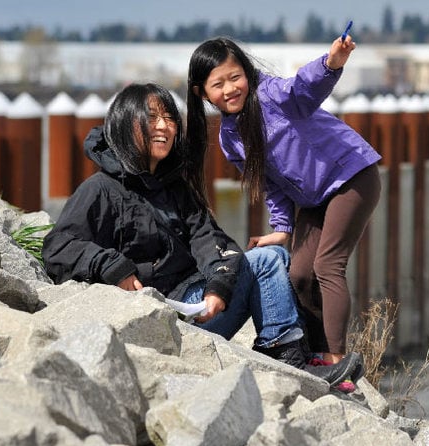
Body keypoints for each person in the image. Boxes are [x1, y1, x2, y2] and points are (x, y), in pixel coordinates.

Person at [42, 82, 362, 388]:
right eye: (152, 117)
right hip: (154, 321)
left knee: (272, 256)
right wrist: (112, 267)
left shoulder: (175, 188)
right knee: (268, 259)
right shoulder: (100, 189)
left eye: (169, 118)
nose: (164, 126)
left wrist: (219, 284)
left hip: (196, 310)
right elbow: (58, 246)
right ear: (125, 123)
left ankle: (287, 354)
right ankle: (286, 358)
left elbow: (210, 239)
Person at [186, 35, 381, 370]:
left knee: (327, 266)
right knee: (300, 273)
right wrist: (282, 228)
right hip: (315, 198)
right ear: (202, 93)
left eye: (235, 77)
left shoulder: (272, 95)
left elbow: (304, 87)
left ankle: (338, 358)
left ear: (246, 73)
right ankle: (319, 355)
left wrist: (330, 62)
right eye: (217, 84)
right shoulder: (229, 139)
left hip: (351, 175)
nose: (230, 89)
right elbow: (271, 184)